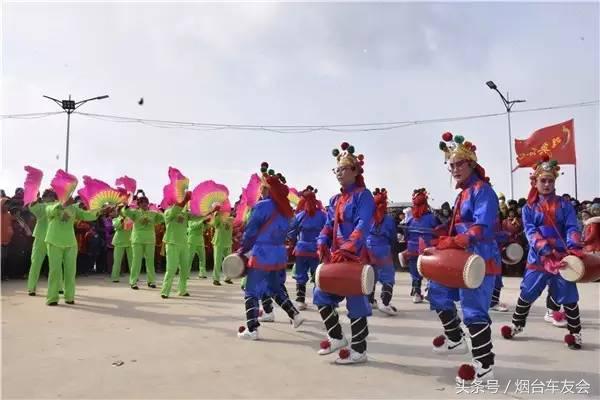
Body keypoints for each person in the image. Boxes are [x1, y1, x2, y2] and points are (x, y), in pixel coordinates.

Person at [432, 132, 501, 384]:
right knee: (437, 292)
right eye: (451, 165)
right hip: (459, 257)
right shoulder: (462, 193)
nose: (455, 169)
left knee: (473, 311)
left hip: (479, 256)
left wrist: (459, 238)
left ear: (471, 163)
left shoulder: (483, 191)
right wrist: (444, 234)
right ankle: (454, 338)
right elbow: (459, 224)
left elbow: (483, 225)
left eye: (459, 163)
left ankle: (484, 367)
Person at [501, 155, 584, 350]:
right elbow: (530, 230)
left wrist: (573, 247)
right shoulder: (529, 207)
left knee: (568, 295)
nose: (547, 184)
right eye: (543, 180)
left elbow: (572, 227)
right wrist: (545, 248)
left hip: (563, 257)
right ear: (535, 182)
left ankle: (575, 333)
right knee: (527, 291)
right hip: (539, 257)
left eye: (550, 180)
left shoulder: (565, 205)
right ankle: (517, 324)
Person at [314, 142, 375, 364]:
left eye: (343, 169)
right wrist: (321, 239)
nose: (339, 173)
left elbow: (363, 223)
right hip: (335, 255)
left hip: (354, 255)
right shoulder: (335, 199)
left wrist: (350, 246)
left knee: (356, 302)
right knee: (321, 294)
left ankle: (359, 350)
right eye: (336, 170)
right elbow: (329, 225)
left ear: (355, 171)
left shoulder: (363, 196)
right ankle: (336, 337)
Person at [237, 162, 304, 340]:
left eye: (262, 188)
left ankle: (252, 329)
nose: (260, 191)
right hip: (278, 254)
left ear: (267, 190)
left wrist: (242, 250)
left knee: (251, 291)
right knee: (274, 288)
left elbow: (251, 232)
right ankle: (295, 314)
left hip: (262, 253)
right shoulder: (286, 210)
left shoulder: (262, 206)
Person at [45, 197, 99, 305]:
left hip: (70, 242)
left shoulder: (74, 209)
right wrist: (63, 204)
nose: (70, 196)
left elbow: (86, 215)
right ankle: (52, 298)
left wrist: (99, 211)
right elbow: (49, 212)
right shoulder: (51, 205)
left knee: (70, 271)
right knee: (55, 271)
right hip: (54, 241)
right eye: (67, 194)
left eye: (70, 193)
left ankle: (69, 297)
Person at [287, 186, 327, 310]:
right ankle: (318, 300)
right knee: (317, 275)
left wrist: (293, 241)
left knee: (300, 275)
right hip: (316, 249)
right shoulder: (322, 216)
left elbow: (291, 232)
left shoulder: (300, 216)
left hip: (301, 249)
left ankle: (300, 300)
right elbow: (327, 231)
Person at [403, 188, 440, 304]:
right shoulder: (432, 217)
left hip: (412, 249)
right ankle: (429, 291)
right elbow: (438, 231)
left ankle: (417, 293)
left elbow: (406, 234)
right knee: (430, 271)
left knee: (415, 272)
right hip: (428, 249)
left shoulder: (410, 217)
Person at [366, 188, 399, 314]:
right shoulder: (389, 219)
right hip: (383, 248)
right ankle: (384, 303)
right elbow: (393, 237)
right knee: (388, 277)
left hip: (368, 248)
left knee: (370, 276)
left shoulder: (367, 217)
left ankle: (369, 301)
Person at [122, 194, 164, 290]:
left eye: (146, 202)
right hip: (137, 239)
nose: (144, 204)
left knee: (150, 261)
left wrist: (161, 211)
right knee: (136, 261)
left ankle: (151, 281)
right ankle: (133, 281)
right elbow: (126, 212)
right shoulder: (135, 213)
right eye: (142, 202)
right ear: (139, 204)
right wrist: (126, 205)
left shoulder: (153, 214)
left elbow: (162, 218)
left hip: (150, 239)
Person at [26, 189, 58, 295]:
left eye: (46, 195)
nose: (45, 197)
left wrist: (34, 197)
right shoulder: (58, 206)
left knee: (36, 263)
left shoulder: (42, 206)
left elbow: (32, 206)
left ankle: (31, 288)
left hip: (41, 237)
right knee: (56, 264)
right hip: (53, 238)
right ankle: (59, 287)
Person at [160, 192, 192, 298]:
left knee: (184, 269)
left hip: (184, 243)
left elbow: (197, 216)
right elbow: (175, 210)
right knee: (171, 269)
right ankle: (165, 291)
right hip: (172, 243)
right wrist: (185, 200)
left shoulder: (184, 213)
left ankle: (182, 290)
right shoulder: (168, 212)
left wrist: (210, 211)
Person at [110, 205, 133, 282]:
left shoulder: (130, 218)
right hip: (119, 241)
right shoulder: (116, 219)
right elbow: (116, 226)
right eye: (121, 210)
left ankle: (134, 277)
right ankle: (115, 277)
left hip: (130, 241)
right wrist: (122, 220)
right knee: (117, 260)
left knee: (132, 261)